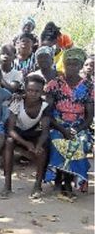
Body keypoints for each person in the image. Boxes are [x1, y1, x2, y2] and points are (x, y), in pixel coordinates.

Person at [44, 48, 93, 201]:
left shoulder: (89, 87)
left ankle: (67, 181)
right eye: (68, 64)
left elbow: (90, 117)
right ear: (63, 65)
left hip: (80, 124)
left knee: (80, 141)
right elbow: (48, 112)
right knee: (57, 138)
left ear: (80, 66)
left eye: (75, 64)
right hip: (58, 123)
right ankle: (61, 178)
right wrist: (62, 128)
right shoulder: (55, 84)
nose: (71, 67)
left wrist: (76, 129)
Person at [0, 74, 50, 199]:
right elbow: (10, 130)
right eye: (30, 90)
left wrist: (37, 146)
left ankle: (38, 186)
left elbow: (45, 131)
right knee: (9, 142)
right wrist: (27, 144)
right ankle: (7, 186)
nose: (33, 93)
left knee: (42, 150)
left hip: (33, 133)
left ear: (42, 91)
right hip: (17, 133)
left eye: (37, 91)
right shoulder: (17, 102)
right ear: (25, 89)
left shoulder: (45, 106)